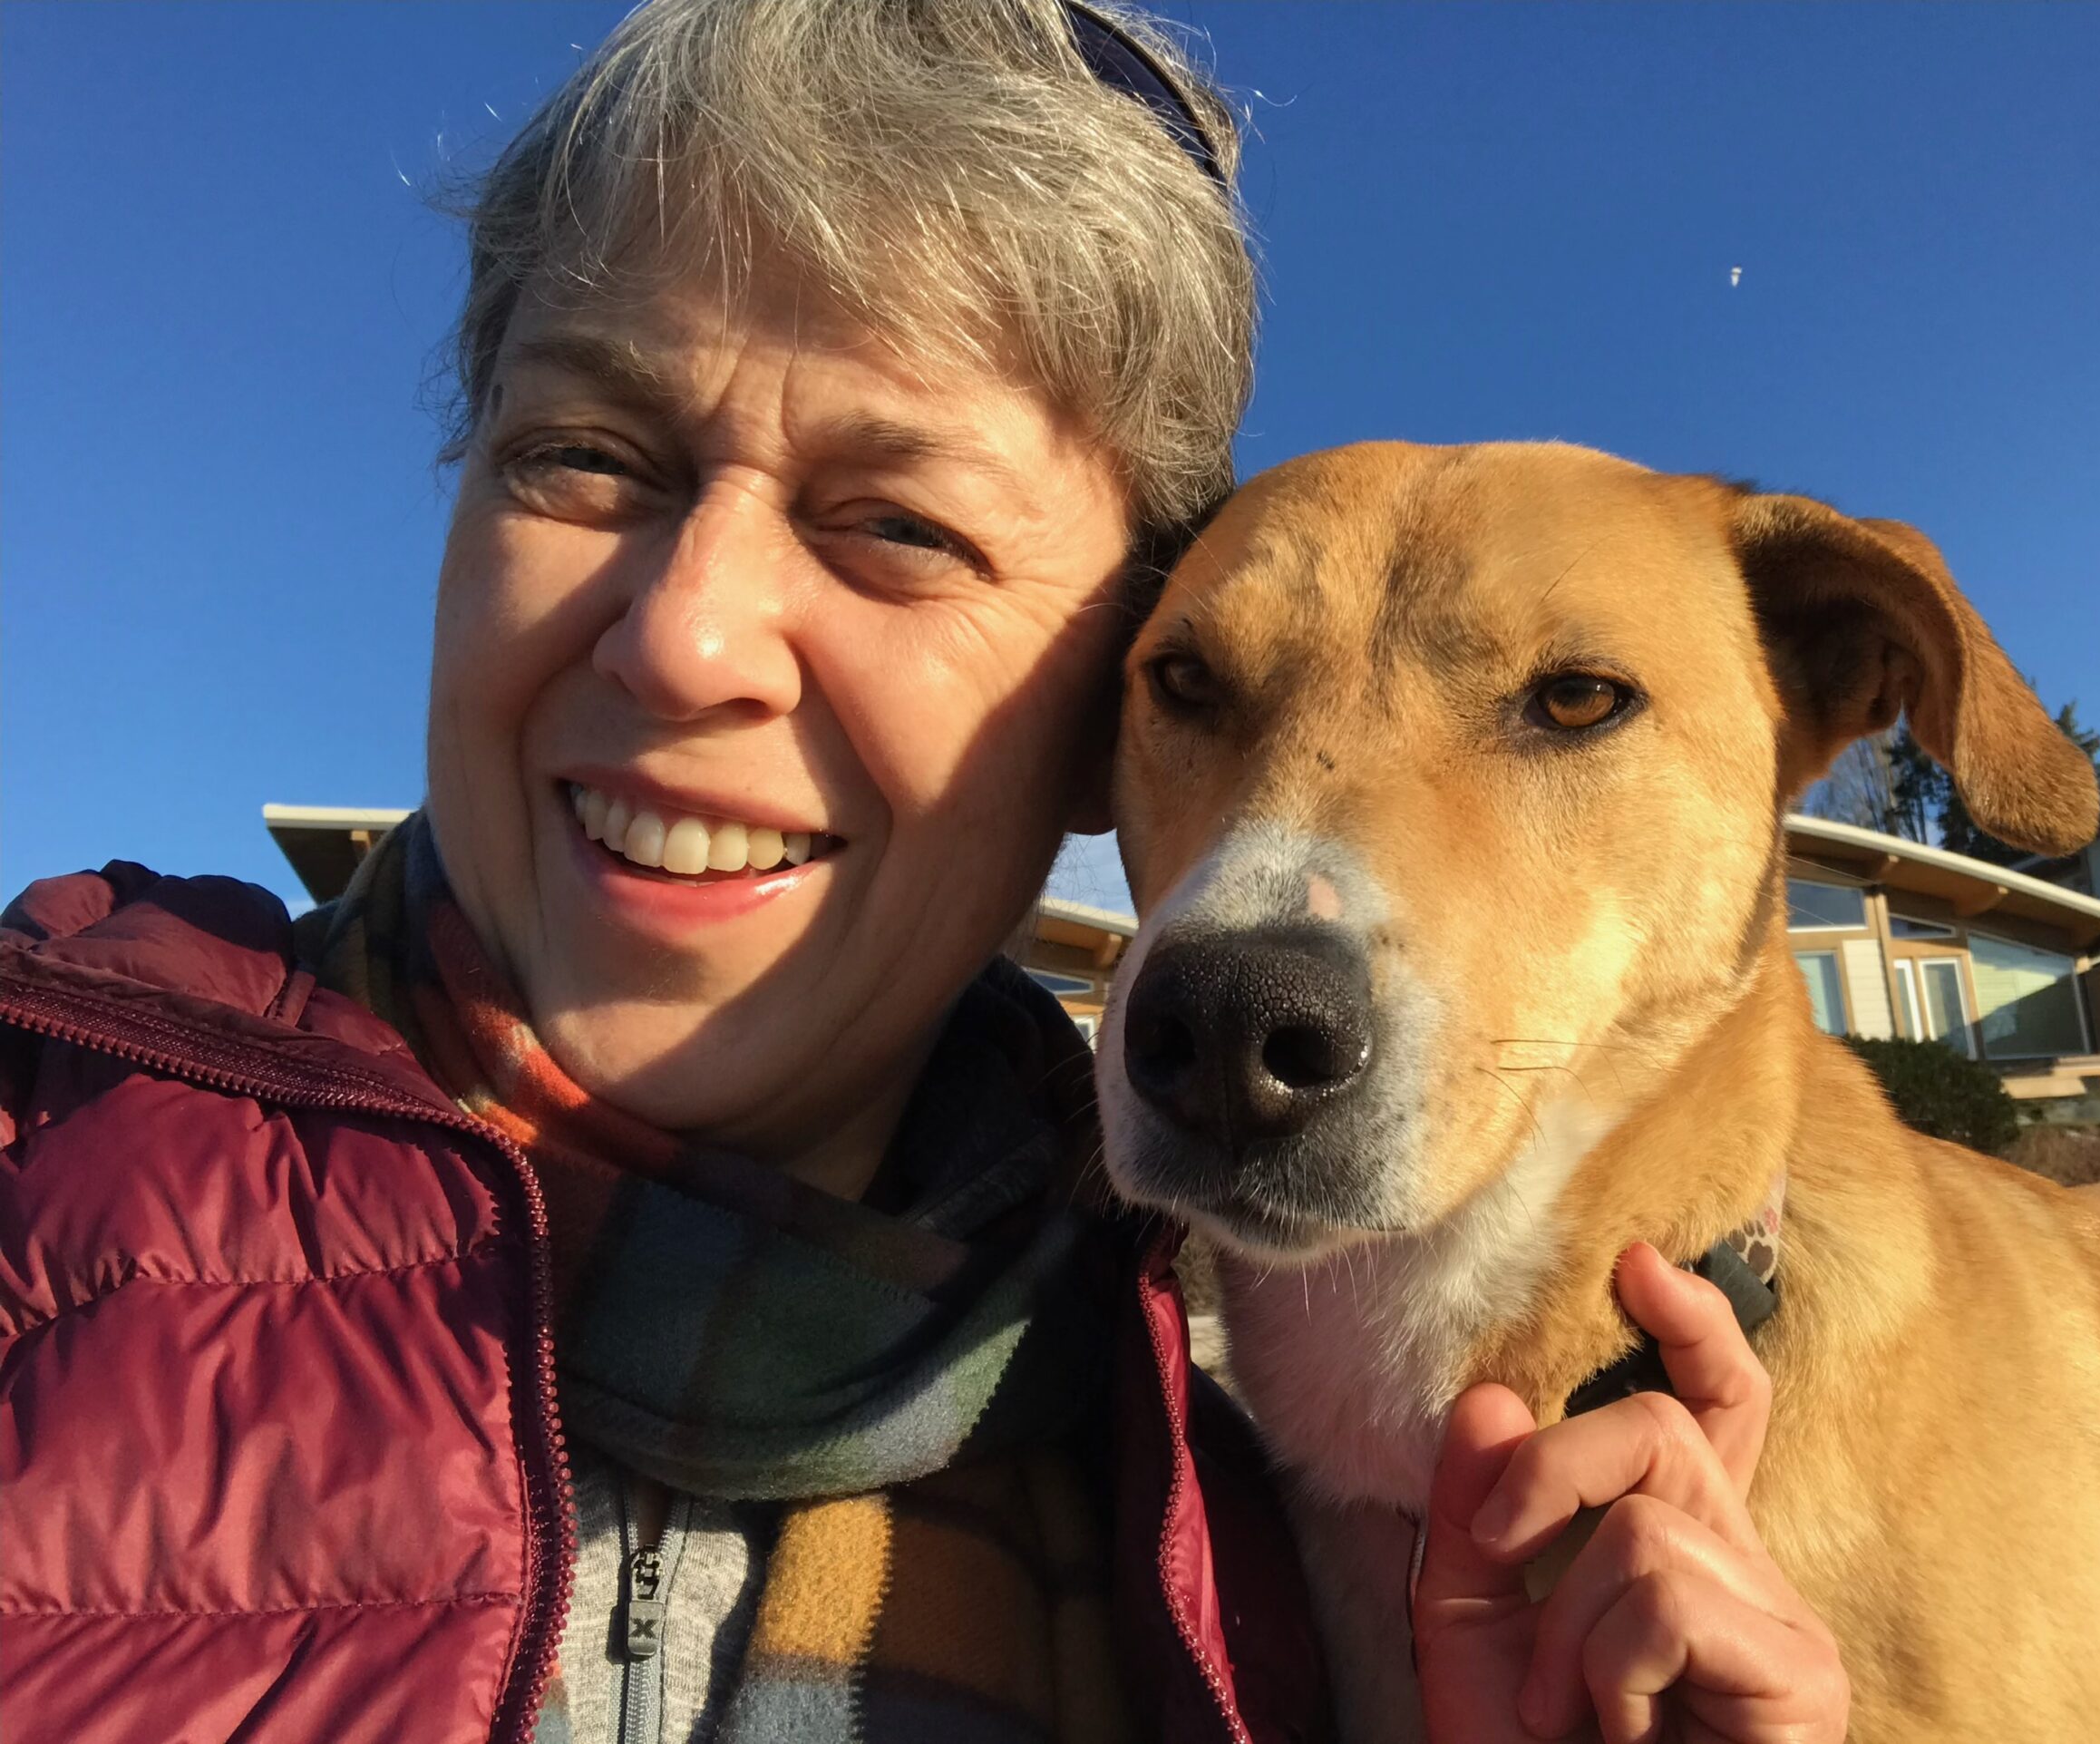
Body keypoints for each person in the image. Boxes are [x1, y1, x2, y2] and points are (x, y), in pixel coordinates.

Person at [0, 3, 1846, 1739]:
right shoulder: (37, 1167)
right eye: (586, 455)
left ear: (1089, 714)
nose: (688, 641)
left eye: (898, 521)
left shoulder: (1240, 1548)